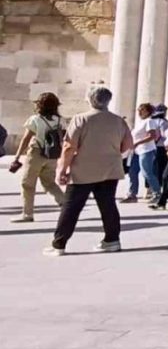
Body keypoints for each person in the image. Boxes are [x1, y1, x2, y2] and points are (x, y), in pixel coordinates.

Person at [44, 86, 133, 256]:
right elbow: (128, 145)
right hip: (110, 169)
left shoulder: (80, 119)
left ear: (90, 99)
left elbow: (69, 147)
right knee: (108, 205)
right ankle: (112, 240)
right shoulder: (118, 120)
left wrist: (61, 170)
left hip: (83, 170)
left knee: (71, 207)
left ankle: (59, 244)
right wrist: (113, 154)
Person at [7, 92, 67, 223]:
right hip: (52, 155)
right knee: (49, 182)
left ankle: (27, 214)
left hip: (36, 153)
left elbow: (26, 138)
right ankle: (65, 204)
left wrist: (17, 157)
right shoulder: (60, 120)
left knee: (27, 184)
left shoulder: (35, 119)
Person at [123, 103, 161, 203]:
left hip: (146, 150)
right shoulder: (140, 122)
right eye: (139, 110)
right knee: (132, 172)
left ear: (148, 111)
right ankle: (132, 194)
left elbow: (152, 136)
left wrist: (138, 142)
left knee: (147, 172)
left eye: (142, 110)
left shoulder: (149, 121)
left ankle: (156, 193)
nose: (139, 112)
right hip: (136, 151)